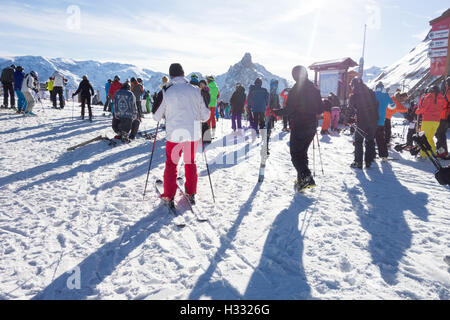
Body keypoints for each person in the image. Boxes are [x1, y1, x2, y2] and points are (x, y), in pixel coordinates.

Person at [153, 63, 210, 206]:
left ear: (171, 75)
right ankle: (191, 191)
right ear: (184, 74)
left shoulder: (166, 91)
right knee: (190, 162)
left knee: (172, 164)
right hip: (193, 134)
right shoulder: (196, 90)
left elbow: (156, 116)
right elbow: (206, 115)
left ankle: (169, 195)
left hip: (174, 135)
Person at [273, 66, 323, 191]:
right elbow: (321, 109)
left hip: (299, 125)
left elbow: (289, 109)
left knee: (295, 154)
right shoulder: (314, 88)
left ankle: (306, 177)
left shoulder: (295, 89)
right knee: (302, 153)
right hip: (311, 126)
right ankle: (302, 180)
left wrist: (275, 112)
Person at [348, 77, 378, 169]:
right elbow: (377, 104)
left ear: (353, 85)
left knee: (358, 141)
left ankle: (358, 162)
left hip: (362, 120)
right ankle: (368, 161)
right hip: (374, 120)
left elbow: (351, 109)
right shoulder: (371, 93)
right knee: (369, 140)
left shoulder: (354, 96)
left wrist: (349, 120)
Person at [415, 85, 446, 159]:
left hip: (427, 120)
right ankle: (433, 153)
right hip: (436, 121)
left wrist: (417, 111)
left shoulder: (428, 97)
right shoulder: (441, 98)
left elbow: (423, 108)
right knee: (429, 137)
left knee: (423, 138)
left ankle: (424, 155)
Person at [374, 82, 393, 161]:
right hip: (382, 121)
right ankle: (384, 156)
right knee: (381, 138)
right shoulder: (386, 95)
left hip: (372, 120)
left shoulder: (373, 94)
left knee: (370, 139)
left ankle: (372, 155)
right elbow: (393, 106)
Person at [435, 77, 450, 159]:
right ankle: (442, 152)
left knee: (439, 134)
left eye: (446, 83)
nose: (445, 84)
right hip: (444, 116)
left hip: (444, 117)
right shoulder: (447, 91)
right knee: (440, 134)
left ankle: (443, 152)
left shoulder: (448, 92)